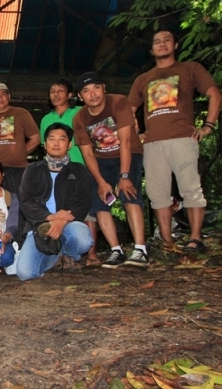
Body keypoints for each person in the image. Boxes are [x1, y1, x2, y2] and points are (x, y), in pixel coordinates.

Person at [128, 29, 221, 253]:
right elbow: (128, 110)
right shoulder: (143, 79)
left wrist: (207, 126)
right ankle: (168, 242)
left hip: (183, 138)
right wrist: (137, 132)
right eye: (157, 42)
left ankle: (195, 238)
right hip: (152, 144)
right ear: (151, 50)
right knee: (157, 193)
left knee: (191, 188)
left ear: (175, 45)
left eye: (167, 40)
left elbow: (214, 93)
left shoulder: (190, 69)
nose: (162, 44)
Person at [73, 72, 148, 268]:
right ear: (81, 96)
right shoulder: (80, 118)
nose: (93, 94)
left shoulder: (118, 102)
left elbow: (125, 141)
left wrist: (124, 176)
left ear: (104, 88)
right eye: (86, 91)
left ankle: (140, 249)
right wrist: (100, 181)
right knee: (99, 203)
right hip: (102, 161)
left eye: (96, 88)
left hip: (129, 153)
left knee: (129, 194)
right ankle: (117, 251)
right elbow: (88, 154)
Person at [15, 123, 94, 281]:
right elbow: (26, 201)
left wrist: (61, 222)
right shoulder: (32, 170)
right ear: (45, 145)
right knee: (25, 274)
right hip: (40, 226)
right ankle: (55, 256)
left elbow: (83, 202)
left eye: (61, 139)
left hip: (69, 225)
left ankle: (67, 252)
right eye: (51, 139)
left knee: (83, 239)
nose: (56, 143)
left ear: (69, 144)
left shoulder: (79, 171)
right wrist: (50, 217)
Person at [40, 78, 99, 266]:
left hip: (81, 168)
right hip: (55, 173)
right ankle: (59, 252)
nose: (56, 95)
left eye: (60, 91)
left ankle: (91, 253)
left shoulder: (80, 113)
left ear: (70, 95)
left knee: (87, 211)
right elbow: (45, 147)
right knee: (57, 211)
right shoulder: (46, 119)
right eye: (52, 91)